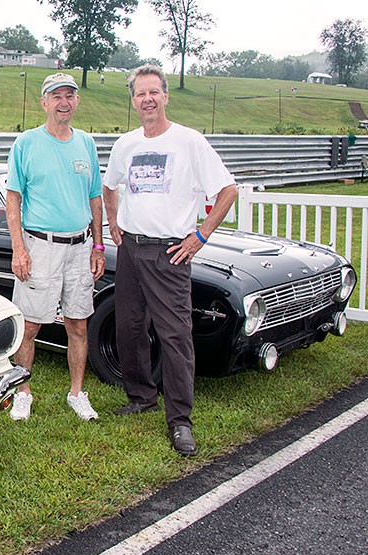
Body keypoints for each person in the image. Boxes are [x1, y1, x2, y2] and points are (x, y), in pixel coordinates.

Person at [102, 64, 237, 456]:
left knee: (175, 336)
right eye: (140, 94)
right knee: (128, 327)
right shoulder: (125, 144)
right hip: (131, 250)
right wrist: (113, 221)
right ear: (133, 101)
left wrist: (199, 235)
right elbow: (110, 186)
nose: (147, 99)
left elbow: (228, 190)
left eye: (153, 92)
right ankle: (141, 395)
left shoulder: (189, 142)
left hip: (170, 253)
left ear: (165, 96)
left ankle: (180, 421)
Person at [6, 72, 106, 422]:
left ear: (77, 101)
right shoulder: (26, 143)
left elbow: (95, 196)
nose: (64, 102)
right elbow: (13, 199)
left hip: (80, 247)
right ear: (44, 101)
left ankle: (77, 393)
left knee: (78, 324)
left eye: (70, 95)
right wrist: (19, 249)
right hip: (40, 246)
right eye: (57, 96)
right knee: (30, 325)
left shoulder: (86, 144)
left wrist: (98, 245)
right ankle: (23, 391)